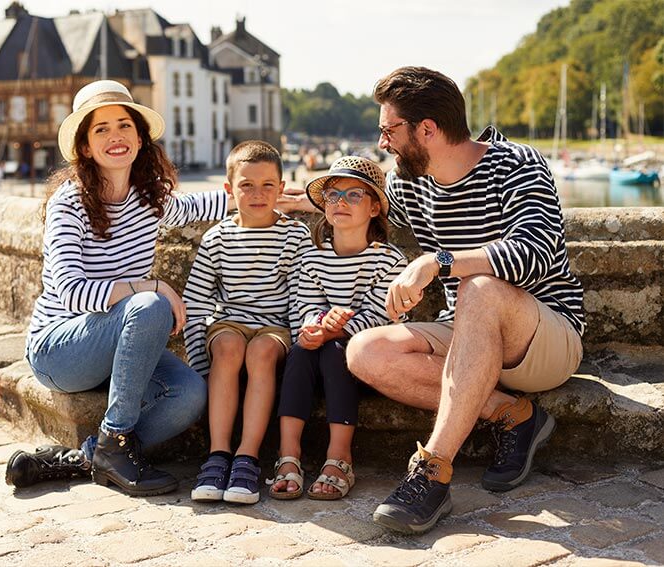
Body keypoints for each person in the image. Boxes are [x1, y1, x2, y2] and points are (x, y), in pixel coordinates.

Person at [345, 67, 585, 533]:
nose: (383, 143)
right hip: (466, 332)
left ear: (427, 130)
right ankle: (514, 416)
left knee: (479, 288)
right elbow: (367, 217)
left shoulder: (518, 163)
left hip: (542, 336)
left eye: (388, 130)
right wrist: (306, 202)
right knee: (365, 351)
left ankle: (432, 471)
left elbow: (535, 252)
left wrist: (438, 262)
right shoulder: (407, 183)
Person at [5, 80, 229, 496]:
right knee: (149, 304)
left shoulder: (149, 199)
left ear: (140, 138)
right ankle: (116, 442)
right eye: (101, 129)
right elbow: (71, 290)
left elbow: (207, 204)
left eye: (124, 125)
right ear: (86, 147)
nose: (115, 136)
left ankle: (97, 452)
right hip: (60, 349)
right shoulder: (68, 203)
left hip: (118, 343)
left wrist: (275, 196)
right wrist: (152, 285)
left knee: (189, 394)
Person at [269, 156, 406, 501]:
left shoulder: (389, 260)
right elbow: (304, 305)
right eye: (333, 195)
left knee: (334, 351)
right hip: (318, 353)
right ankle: (289, 456)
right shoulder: (312, 257)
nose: (340, 202)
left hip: (367, 362)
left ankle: (340, 456)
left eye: (353, 195)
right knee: (302, 350)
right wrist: (313, 327)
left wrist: (335, 331)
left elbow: (382, 316)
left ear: (375, 208)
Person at [184, 141, 312, 505]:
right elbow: (195, 302)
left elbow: (301, 297)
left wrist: (301, 342)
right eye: (246, 185)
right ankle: (218, 454)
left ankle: (247, 457)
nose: (258, 194)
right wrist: (198, 364)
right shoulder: (217, 238)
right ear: (229, 189)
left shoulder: (295, 236)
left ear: (282, 188)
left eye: (268, 185)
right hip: (229, 325)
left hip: (274, 329)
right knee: (228, 347)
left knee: (260, 351)